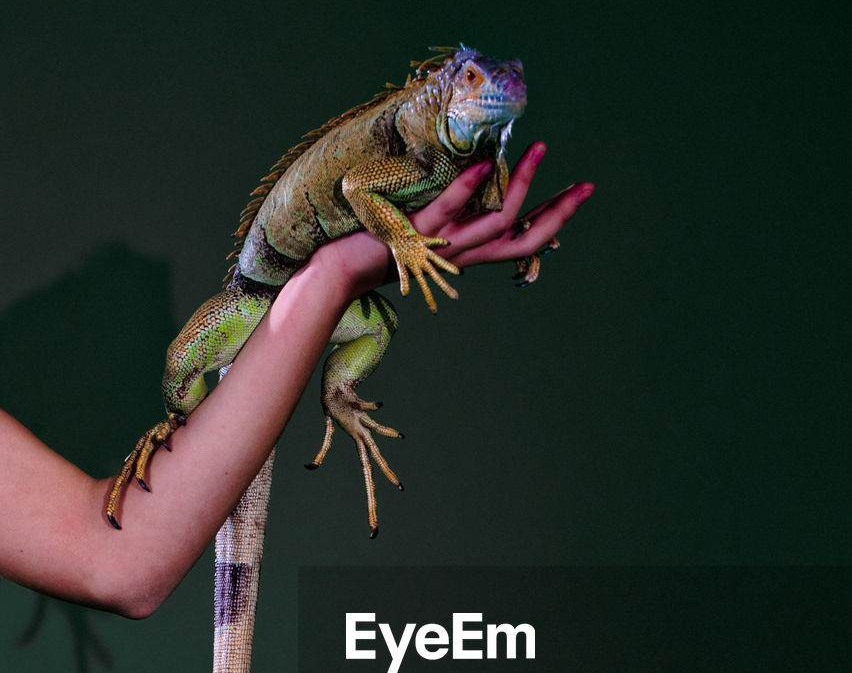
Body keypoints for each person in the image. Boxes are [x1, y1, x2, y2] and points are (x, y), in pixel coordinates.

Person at [0, 146, 592, 619]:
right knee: (185, 359)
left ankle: (334, 391)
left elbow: (120, 564)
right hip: (247, 305)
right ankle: (186, 413)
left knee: (375, 324)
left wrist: (330, 277)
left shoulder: (437, 150)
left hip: (287, 302)